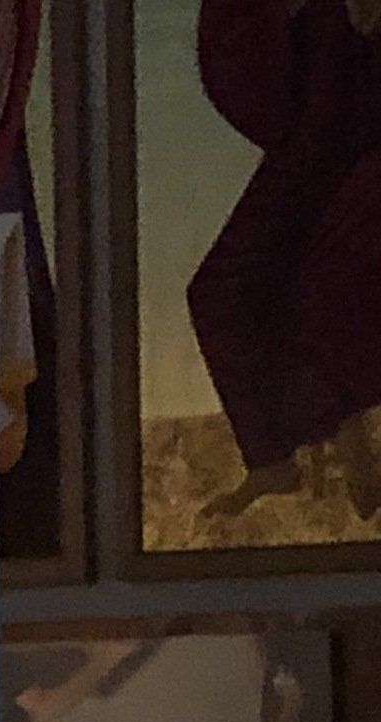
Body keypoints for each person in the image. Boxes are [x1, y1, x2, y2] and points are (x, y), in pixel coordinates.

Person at [189, 0, 381, 517]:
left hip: (347, 138)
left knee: (323, 280)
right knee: (221, 291)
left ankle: (349, 451)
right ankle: (275, 460)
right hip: (316, 140)